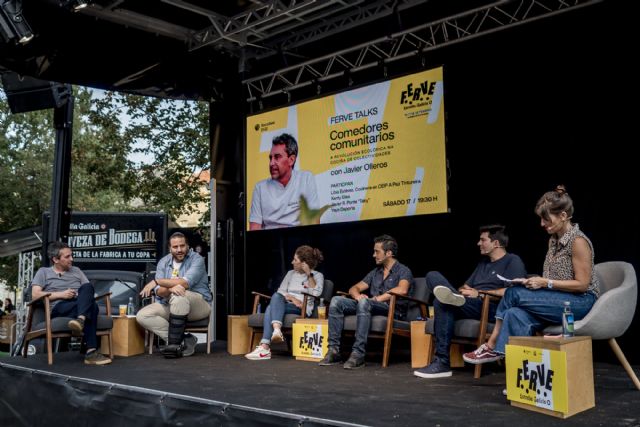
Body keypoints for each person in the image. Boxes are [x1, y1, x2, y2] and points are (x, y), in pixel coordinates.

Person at [463, 185, 600, 365]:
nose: (542, 224)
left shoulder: (578, 241)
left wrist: (545, 283)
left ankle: (491, 345)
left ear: (563, 216)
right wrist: (533, 281)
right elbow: (554, 280)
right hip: (559, 300)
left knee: (512, 293)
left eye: (546, 219)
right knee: (514, 314)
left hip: (580, 302)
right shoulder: (553, 241)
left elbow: (582, 284)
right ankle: (523, 380)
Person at [413, 225, 527, 379]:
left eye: (482, 240)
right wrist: (463, 292)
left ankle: (442, 362)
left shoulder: (512, 260)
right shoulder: (483, 264)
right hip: (470, 304)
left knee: (443, 301)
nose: (478, 243)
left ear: (496, 243)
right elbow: (465, 286)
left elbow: (513, 292)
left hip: (492, 307)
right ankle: (442, 363)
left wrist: (478, 293)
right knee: (433, 277)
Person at [319, 234, 414, 369]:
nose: (373, 255)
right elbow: (354, 288)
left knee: (365, 303)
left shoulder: (403, 270)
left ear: (389, 253)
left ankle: (358, 354)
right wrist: (358, 296)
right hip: (370, 305)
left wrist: (376, 299)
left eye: (377, 251)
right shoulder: (375, 272)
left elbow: (402, 290)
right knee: (336, 301)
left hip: (392, 310)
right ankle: (334, 351)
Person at [31, 242, 112, 365]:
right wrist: (61, 294)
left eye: (71, 255)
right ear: (55, 259)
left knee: (88, 287)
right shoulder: (44, 272)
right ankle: (90, 352)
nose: (72, 259)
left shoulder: (77, 271)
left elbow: (88, 290)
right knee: (93, 307)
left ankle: (80, 320)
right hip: (59, 307)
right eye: (67, 257)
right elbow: (35, 294)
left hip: (78, 305)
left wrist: (81, 297)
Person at [137, 232, 212, 358]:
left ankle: (173, 345)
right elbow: (159, 291)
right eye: (175, 247)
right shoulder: (163, 262)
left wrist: (157, 281)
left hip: (198, 305)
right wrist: (170, 289)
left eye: (182, 246)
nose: (179, 250)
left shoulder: (197, 259)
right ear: (169, 248)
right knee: (143, 315)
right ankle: (183, 340)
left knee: (179, 295)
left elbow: (185, 283)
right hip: (169, 302)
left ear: (187, 246)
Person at [245, 245, 325, 360]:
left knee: (270, 308)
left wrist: (309, 274)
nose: (292, 262)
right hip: (286, 304)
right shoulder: (290, 274)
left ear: (304, 263)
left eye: (295, 260)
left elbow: (316, 293)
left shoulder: (317, 275)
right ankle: (275, 332)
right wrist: (292, 298)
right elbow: (281, 292)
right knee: (275, 298)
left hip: (301, 308)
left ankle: (265, 347)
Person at [249, 133, 320, 230]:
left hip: (300, 241)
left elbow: (313, 221)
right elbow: (254, 228)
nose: (271, 163)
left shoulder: (306, 179)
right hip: (270, 242)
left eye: (277, 157)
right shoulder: (260, 188)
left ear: (291, 160)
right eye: (270, 158)